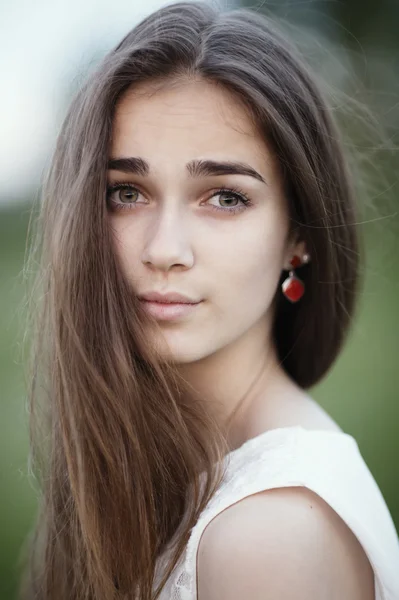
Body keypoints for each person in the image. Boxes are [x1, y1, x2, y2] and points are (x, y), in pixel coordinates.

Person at [20, 1, 399, 599]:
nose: (164, 249)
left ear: (298, 236)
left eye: (223, 197)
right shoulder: (166, 466)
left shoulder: (274, 531)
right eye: (126, 192)